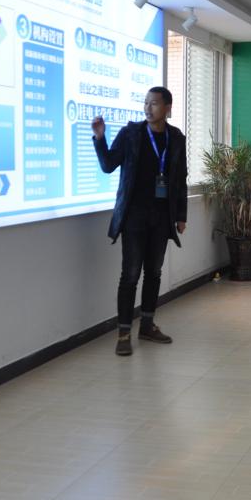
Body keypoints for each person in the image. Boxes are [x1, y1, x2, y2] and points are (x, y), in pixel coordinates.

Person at [92, 86, 188, 356]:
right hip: (134, 216)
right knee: (131, 274)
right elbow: (108, 165)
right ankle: (124, 333)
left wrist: (181, 215)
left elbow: (180, 178)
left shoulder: (176, 138)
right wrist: (100, 138)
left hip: (162, 217)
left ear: (167, 107)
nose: (148, 108)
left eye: (154, 103)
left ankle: (147, 325)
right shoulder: (131, 133)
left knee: (154, 273)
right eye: (146, 103)